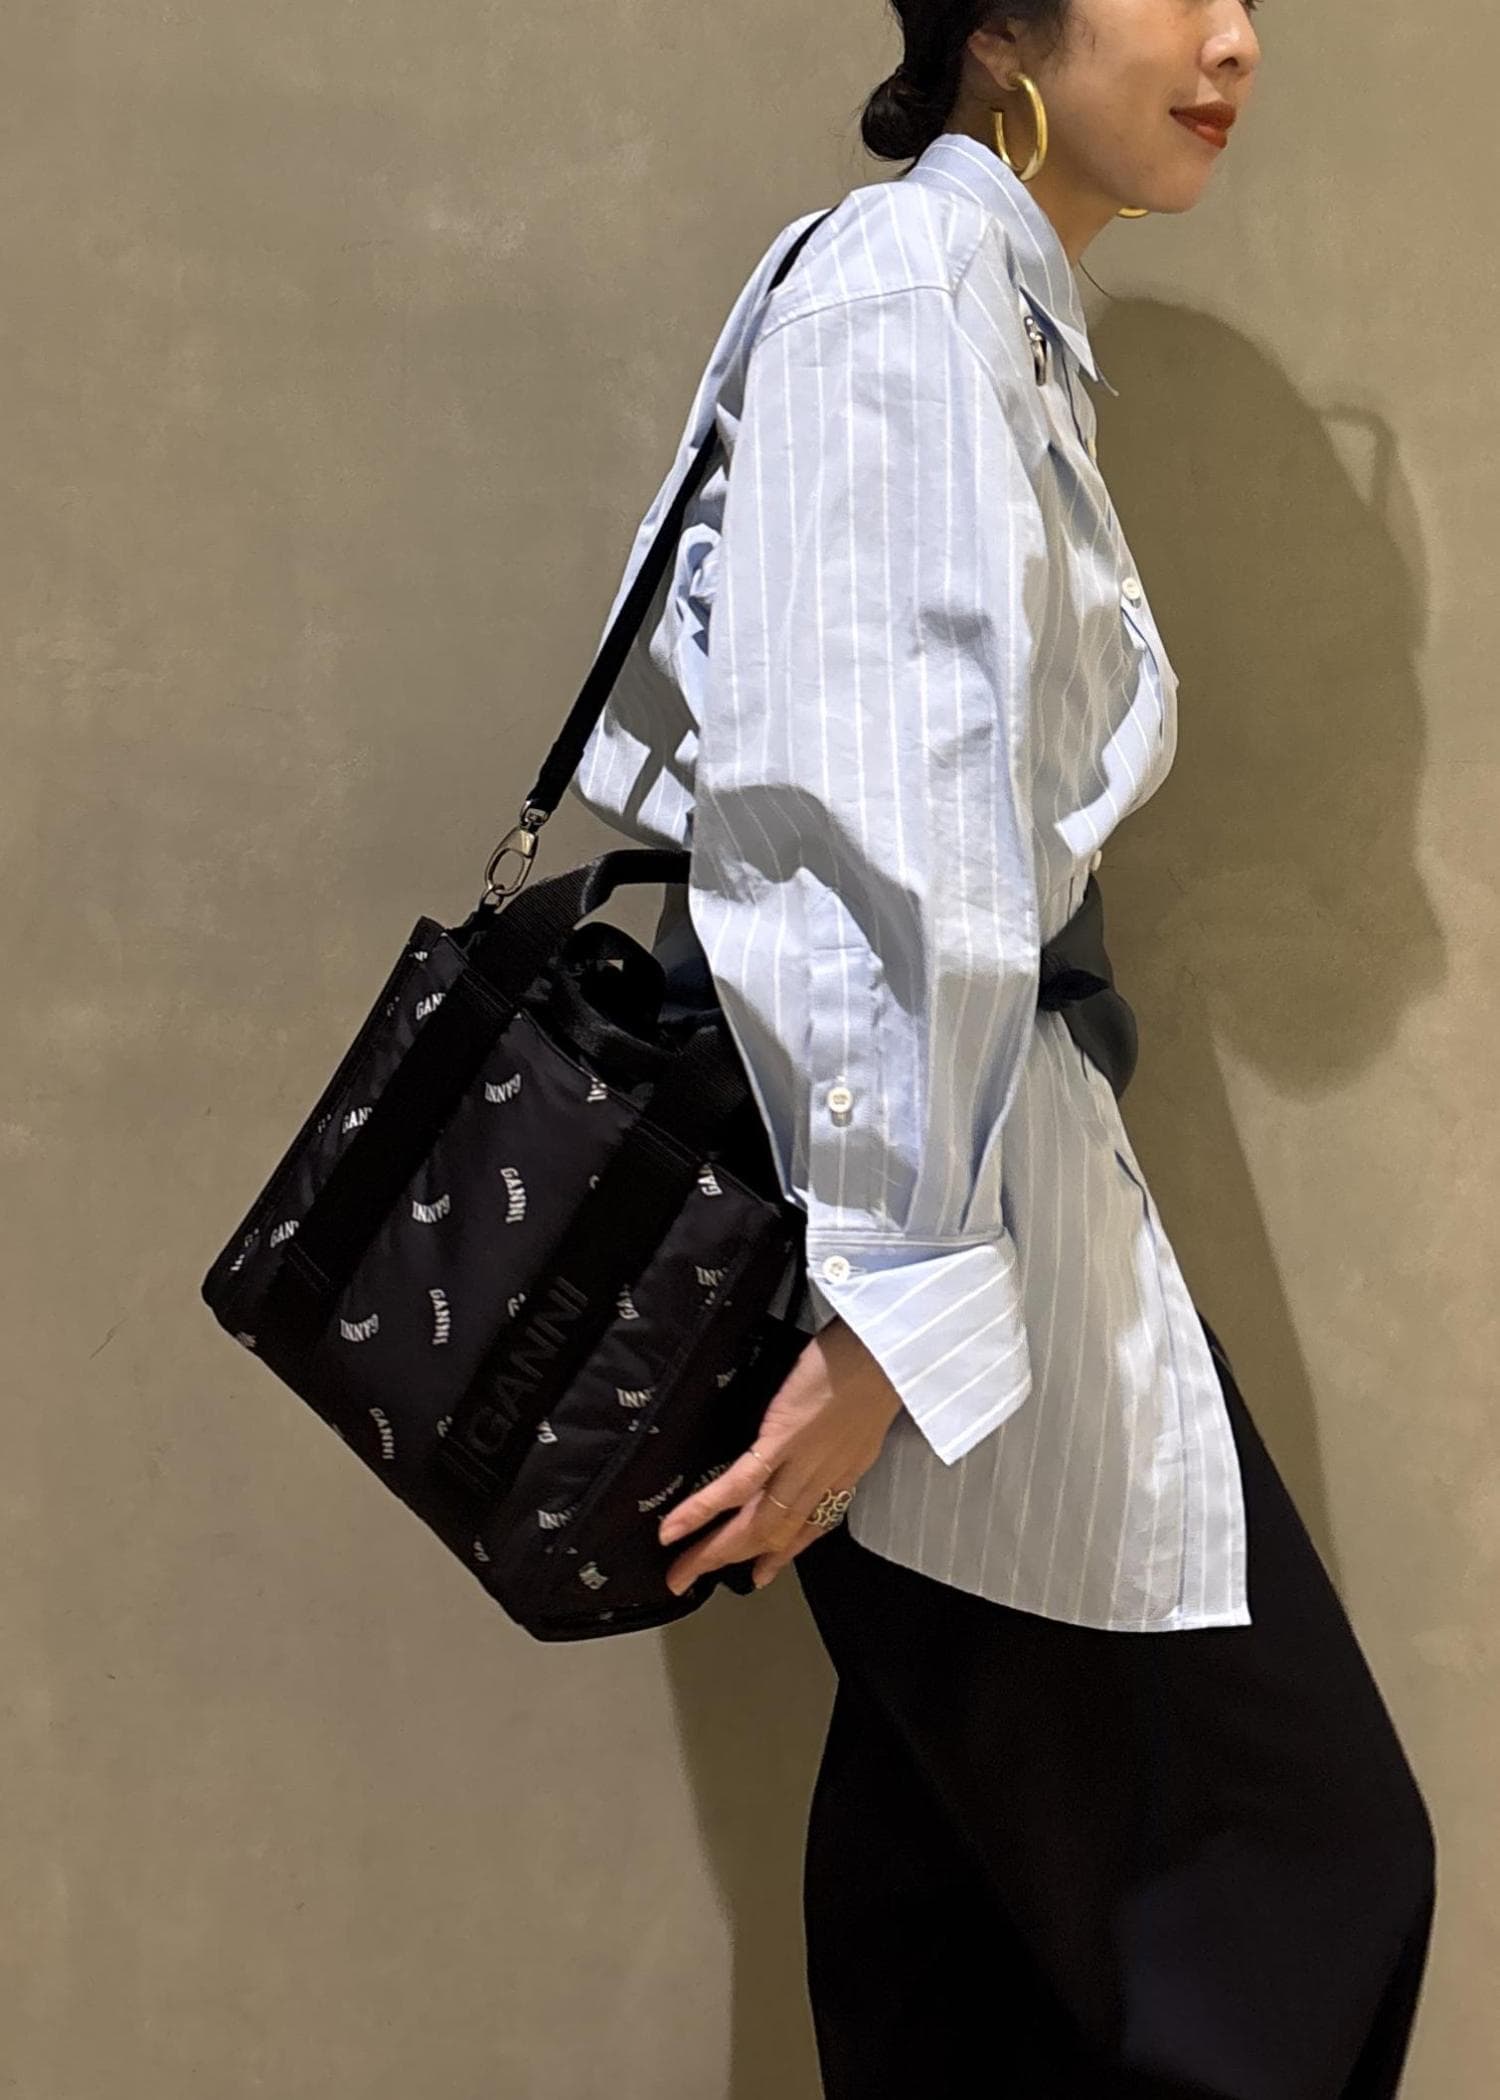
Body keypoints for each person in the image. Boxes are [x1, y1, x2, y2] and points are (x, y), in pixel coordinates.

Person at [569, 4, 1437, 2091]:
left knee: (957, 1937)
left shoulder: (991, 304)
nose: (1236, 36)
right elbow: (876, 846)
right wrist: (894, 1323)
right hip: (940, 1254)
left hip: (969, 1213)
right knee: (1294, 1886)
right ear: (995, 27)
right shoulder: (909, 297)